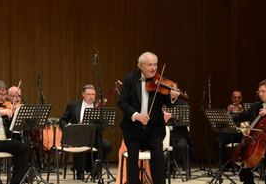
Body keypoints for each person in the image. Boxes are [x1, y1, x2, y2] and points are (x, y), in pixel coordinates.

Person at [118, 51, 180, 184]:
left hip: (154, 129)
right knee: (133, 157)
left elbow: (168, 103)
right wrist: (136, 115)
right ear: (141, 66)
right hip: (132, 128)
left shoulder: (160, 81)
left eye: (155, 65)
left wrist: (173, 97)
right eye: (150, 65)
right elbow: (122, 102)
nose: (154, 68)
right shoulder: (129, 79)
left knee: (157, 155)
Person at [0, 80, 30, 184]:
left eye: (4, 94)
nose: (3, 98)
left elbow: (13, 127)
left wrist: (14, 114)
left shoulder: (6, 105)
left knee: (24, 148)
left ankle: (16, 182)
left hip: (4, 141)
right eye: (0, 94)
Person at [59, 84, 113, 180]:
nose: (91, 96)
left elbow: (103, 126)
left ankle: (95, 170)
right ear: (83, 94)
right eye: (88, 94)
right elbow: (62, 120)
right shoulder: (73, 105)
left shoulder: (98, 107)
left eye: (93, 94)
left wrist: (95, 126)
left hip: (94, 137)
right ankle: (80, 170)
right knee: (81, 146)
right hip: (77, 137)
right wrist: (68, 128)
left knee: (107, 146)